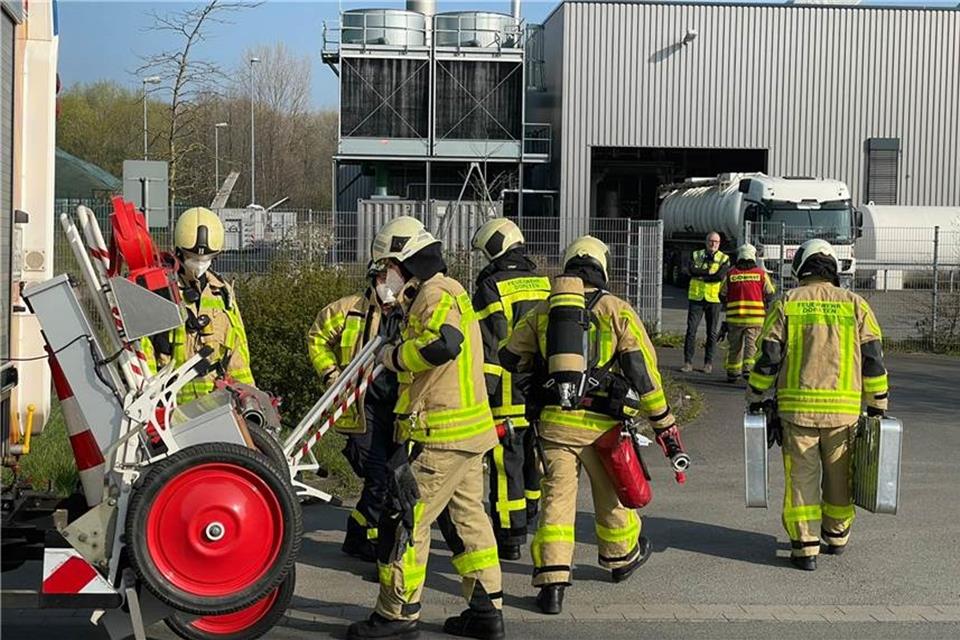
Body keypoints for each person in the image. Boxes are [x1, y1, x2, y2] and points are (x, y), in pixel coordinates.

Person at [499, 235, 681, 615]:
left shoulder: (547, 309)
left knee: (557, 501)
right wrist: (663, 421)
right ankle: (620, 559)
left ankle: (551, 583)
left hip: (554, 424)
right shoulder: (617, 310)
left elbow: (509, 357)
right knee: (610, 495)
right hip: (603, 427)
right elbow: (641, 372)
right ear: (603, 268)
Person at [347, 216, 505, 640]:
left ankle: (396, 615)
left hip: (440, 435)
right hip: (466, 433)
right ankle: (486, 610)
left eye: (385, 270)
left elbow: (444, 345)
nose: (382, 279)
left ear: (403, 262)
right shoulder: (435, 292)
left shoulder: (436, 293)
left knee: (403, 519)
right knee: (468, 521)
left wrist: (394, 358)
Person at [746, 239, 889, 572]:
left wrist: (755, 396)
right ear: (833, 271)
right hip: (844, 415)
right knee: (840, 477)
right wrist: (878, 405)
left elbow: (768, 358)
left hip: (798, 413)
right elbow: (873, 360)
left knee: (801, 478)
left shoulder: (787, 303)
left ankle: (805, 546)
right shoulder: (856, 305)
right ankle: (836, 537)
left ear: (800, 268)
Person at [470, 218, 551, 561]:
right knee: (532, 454)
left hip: (506, 387)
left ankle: (509, 534)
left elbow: (489, 344)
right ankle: (529, 516)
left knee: (506, 460)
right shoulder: (544, 282)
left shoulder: (491, 286)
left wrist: (482, 393)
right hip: (540, 387)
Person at [308, 268, 401, 563]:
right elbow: (317, 336)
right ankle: (372, 542)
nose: (389, 286)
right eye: (384, 279)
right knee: (379, 476)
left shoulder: (410, 311)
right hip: (361, 407)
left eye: (396, 279)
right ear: (373, 279)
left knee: (388, 477)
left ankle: (357, 533)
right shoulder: (350, 310)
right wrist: (331, 375)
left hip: (397, 407)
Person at [141, 207, 253, 402]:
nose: (200, 264)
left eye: (207, 258)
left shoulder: (222, 293)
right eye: (193, 257)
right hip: (171, 407)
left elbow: (238, 350)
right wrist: (151, 396)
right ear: (179, 252)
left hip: (216, 405)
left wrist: (248, 395)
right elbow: (144, 347)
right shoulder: (161, 292)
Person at [719, 243, 776, 382]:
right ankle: (748, 371)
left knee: (734, 347)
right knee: (752, 346)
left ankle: (732, 373)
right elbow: (770, 293)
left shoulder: (731, 274)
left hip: (734, 318)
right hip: (755, 319)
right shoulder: (760, 274)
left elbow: (721, 293)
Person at [681, 231, 730, 374]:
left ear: (719, 244)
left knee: (712, 333)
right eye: (711, 241)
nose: (713, 244)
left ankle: (708, 363)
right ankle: (688, 362)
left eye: (716, 242)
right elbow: (690, 270)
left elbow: (720, 276)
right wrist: (708, 274)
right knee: (691, 331)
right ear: (706, 241)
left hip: (714, 299)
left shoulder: (724, 258)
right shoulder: (696, 255)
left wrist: (702, 275)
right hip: (696, 298)